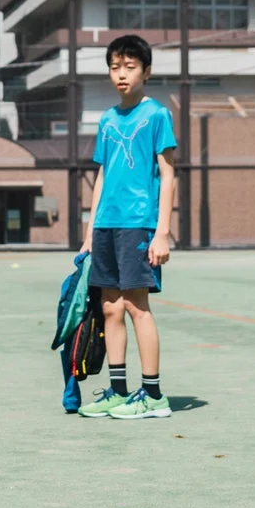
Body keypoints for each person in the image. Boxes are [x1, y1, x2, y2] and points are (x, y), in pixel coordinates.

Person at [78, 34, 177, 420]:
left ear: (146, 71)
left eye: (130, 67)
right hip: (106, 224)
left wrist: (162, 231)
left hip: (139, 224)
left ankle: (152, 395)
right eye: (115, 67)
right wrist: (89, 230)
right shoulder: (106, 118)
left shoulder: (156, 115)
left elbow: (168, 176)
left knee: (138, 307)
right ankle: (118, 391)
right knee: (110, 308)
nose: (121, 74)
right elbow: (102, 174)